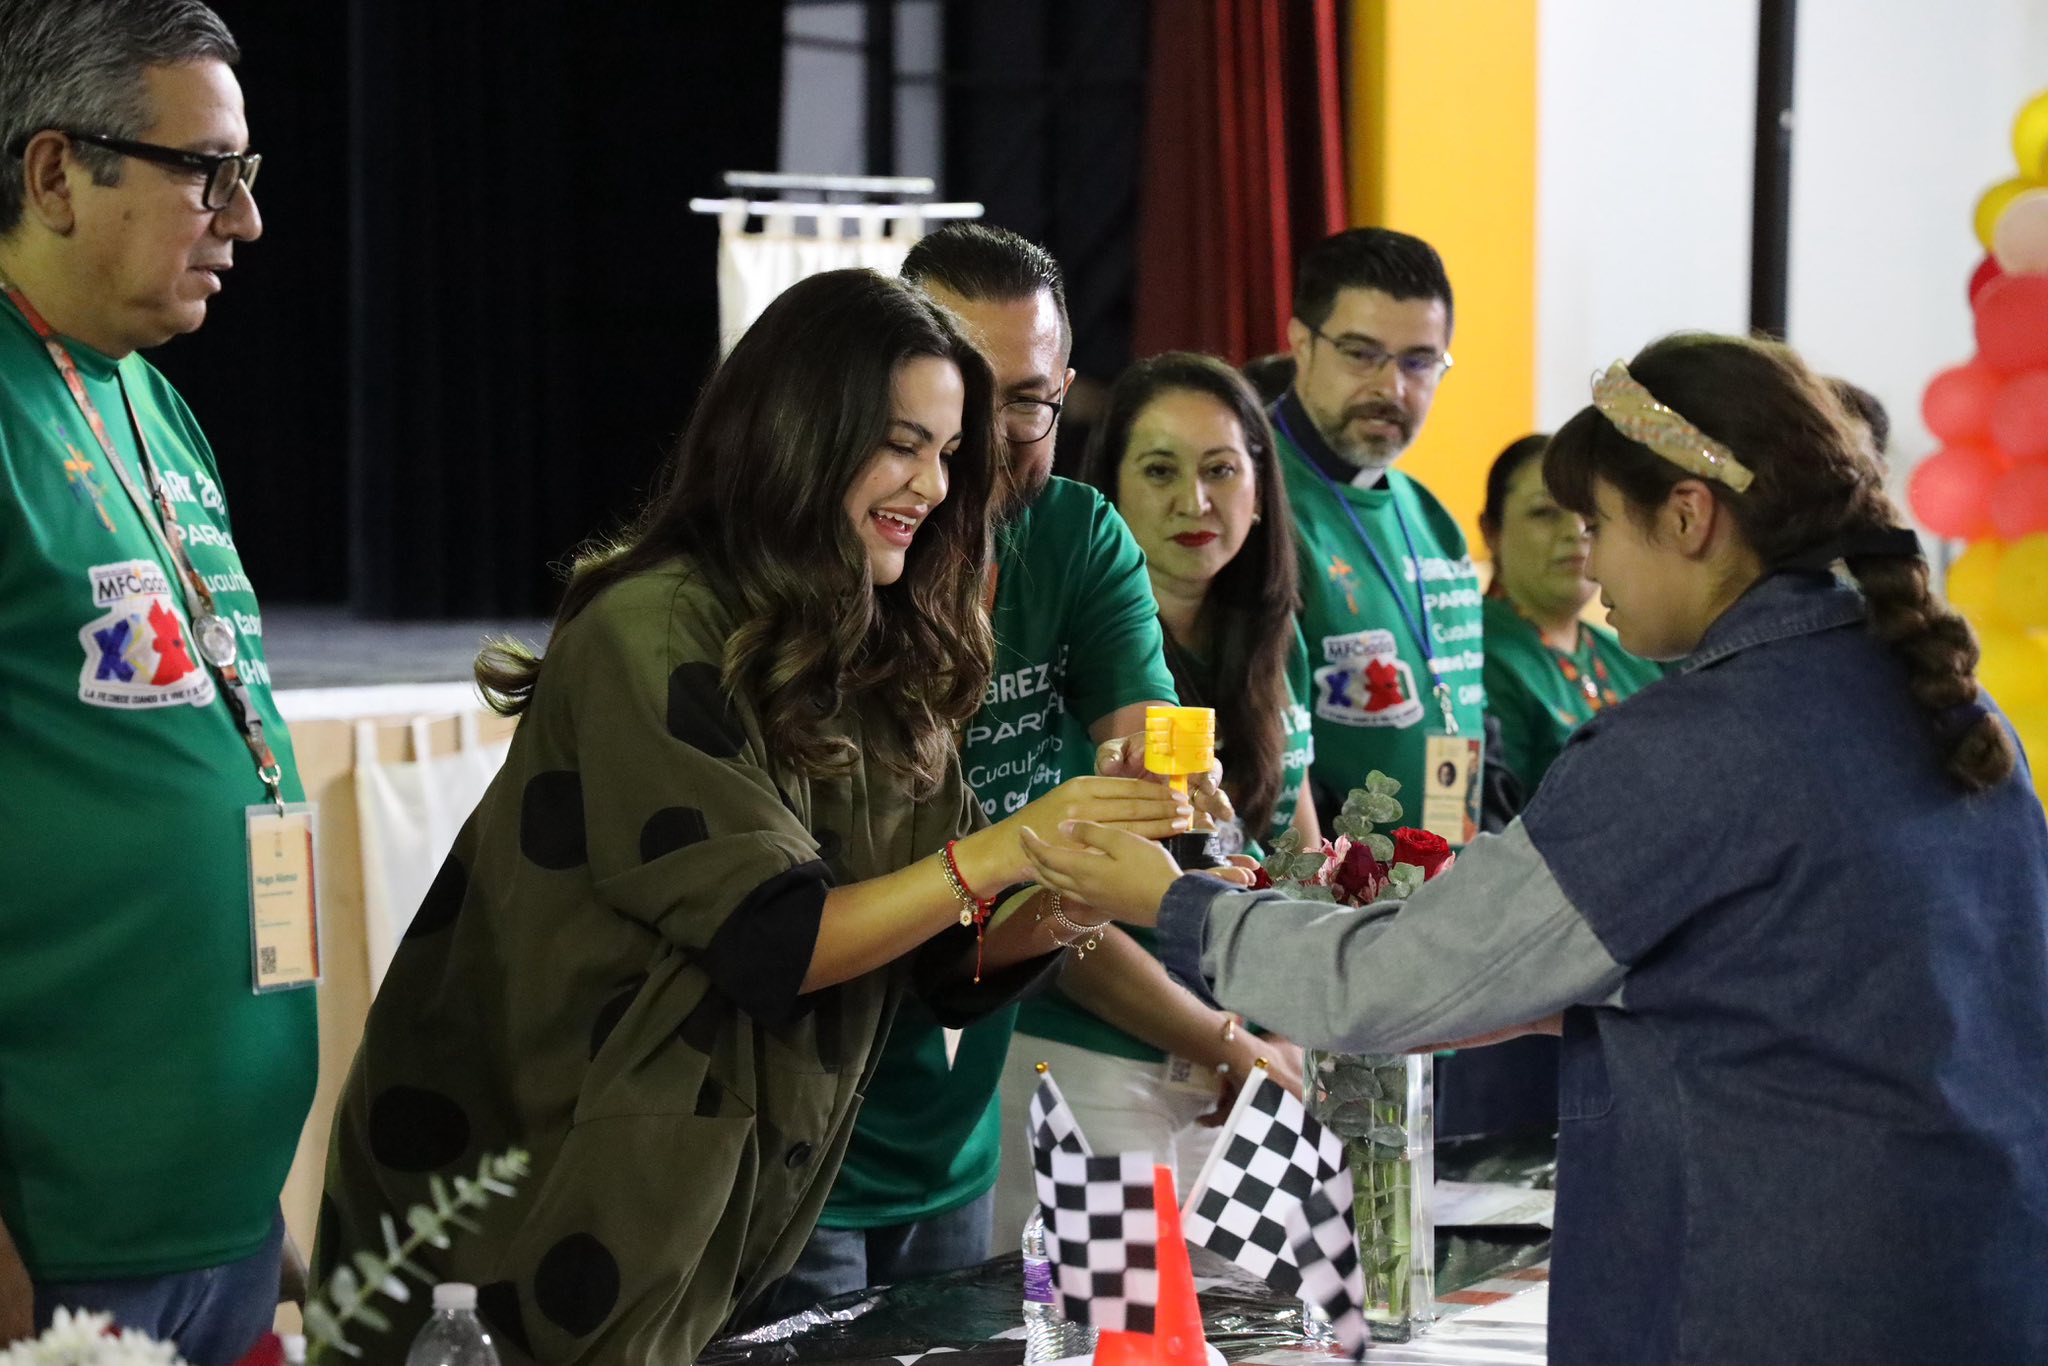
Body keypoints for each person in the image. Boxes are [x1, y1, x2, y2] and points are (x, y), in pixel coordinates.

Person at [1023, 331, 2048, 1366]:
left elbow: (1397, 979)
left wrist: (1179, 906)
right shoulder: (1953, 712)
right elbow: (1798, 979)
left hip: (1775, 1289)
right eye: (1157, 471)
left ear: (1687, 517)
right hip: (1978, 1267)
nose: (1588, 561)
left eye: (1598, 523)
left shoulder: (1695, 745)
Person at [312, 269, 1192, 1363]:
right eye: (901, 444)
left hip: (723, 1207)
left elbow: (942, 953)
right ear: (797, 435)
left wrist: (1069, 878)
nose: (930, 484)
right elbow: (775, 938)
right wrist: (1007, 845)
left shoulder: (879, 641)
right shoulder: (653, 625)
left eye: (947, 452)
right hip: (537, 1208)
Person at [777, 224, 1183, 1313]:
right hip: (795, 1140)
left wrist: (1156, 790)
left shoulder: (1075, 535)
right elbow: (775, 929)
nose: (996, 440)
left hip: (952, 1126)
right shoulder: (822, 568)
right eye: (966, 393)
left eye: (1031, 403)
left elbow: (1145, 750)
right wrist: (1029, 851)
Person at [0, 4, 312, 1361]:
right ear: (56, 173)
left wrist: (247, 1188)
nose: (244, 220)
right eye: (207, 173)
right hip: (60, 1238)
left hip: (218, 1216)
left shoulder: (148, 397)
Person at [992, 353, 1314, 1235]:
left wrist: (1289, 1026)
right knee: (1118, 1317)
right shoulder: (1075, 656)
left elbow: (1298, 857)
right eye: (1161, 471)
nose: (1194, 502)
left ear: (1260, 488)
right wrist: (1224, 1042)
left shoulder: (1277, 648)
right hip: (1093, 1063)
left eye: (1221, 470)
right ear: (1112, 491)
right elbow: (1063, 915)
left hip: (1247, 1069)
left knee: (1266, 1311)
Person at [1271, 227, 1485, 841]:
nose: (1391, 388)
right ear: (1301, 343)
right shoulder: (1250, 501)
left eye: (1419, 362)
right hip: (1312, 882)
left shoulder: (1433, 519)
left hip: (1447, 874)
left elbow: (1463, 717)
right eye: (1361, 353)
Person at [1479, 433, 1663, 794]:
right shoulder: (1477, 655)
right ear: (1492, 533)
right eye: (1545, 513)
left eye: (1589, 515)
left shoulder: (1635, 655)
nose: (1575, 531)